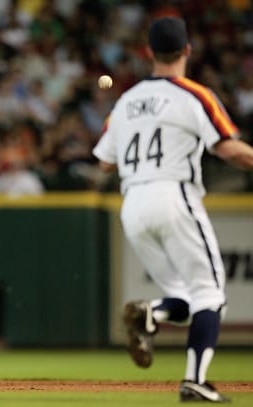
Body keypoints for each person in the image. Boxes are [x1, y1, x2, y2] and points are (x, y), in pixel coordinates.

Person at [93, 16, 253, 403]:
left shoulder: (125, 102)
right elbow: (228, 147)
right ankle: (194, 380)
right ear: (187, 50)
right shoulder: (194, 94)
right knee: (211, 293)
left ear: (148, 52)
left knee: (184, 298)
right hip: (173, 195)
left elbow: (104, 163)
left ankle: (153, 313)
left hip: (133, 206)